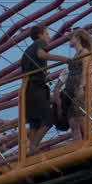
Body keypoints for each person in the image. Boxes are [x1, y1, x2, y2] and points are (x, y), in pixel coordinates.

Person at [21, 25, 68, 154]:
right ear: (40, 35)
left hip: (27, 89)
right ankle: (33, 146)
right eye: (47, 34)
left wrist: (44, 76)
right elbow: (41, 54)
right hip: (37, 89)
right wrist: (63, 59)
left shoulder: (27, 51)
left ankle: (30, 150)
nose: (49, 37)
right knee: (48, 118)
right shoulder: (39, 43)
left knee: (34, 122)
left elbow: (28, 71)